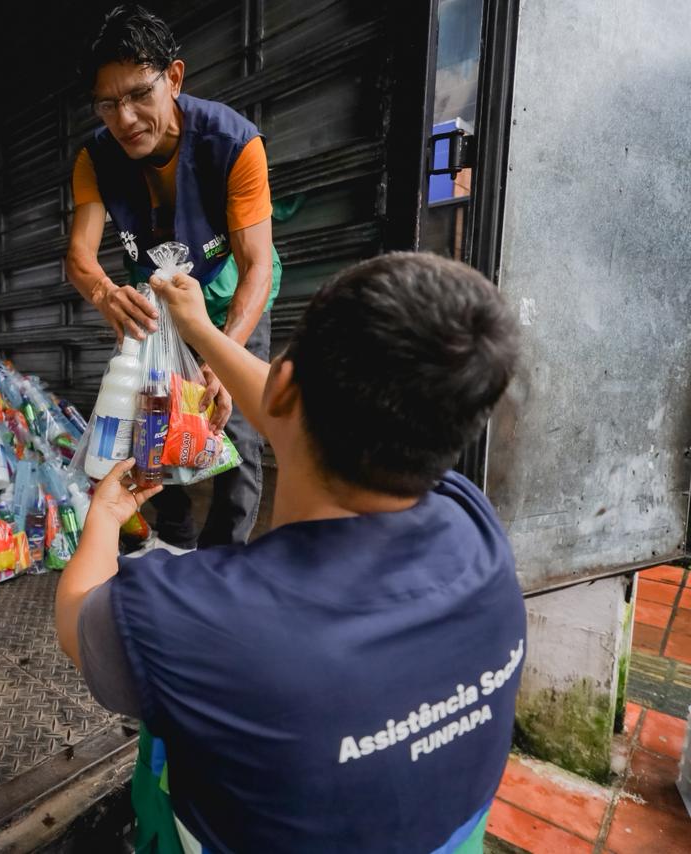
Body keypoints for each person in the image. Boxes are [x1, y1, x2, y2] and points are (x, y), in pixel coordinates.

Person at [56, 252, 527, 852]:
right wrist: (198, 328)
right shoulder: (473, 524)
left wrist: (103, 520)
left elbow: (76, 617)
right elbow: (285, 403)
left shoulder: (197, 619)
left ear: (282, 386)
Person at [67, 5, 282, 549]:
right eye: (108, 103)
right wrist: (104, 293)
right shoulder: (94, 158)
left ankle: (223, 559)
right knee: (153, 414)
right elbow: (79, 257)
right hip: (155, 294)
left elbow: (257, 263)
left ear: (175, 78)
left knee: (234, 422)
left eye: (141, 94)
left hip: (230, 290)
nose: (126, 118)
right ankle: (173, 539)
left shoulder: (234, 144)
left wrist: (222, 354)